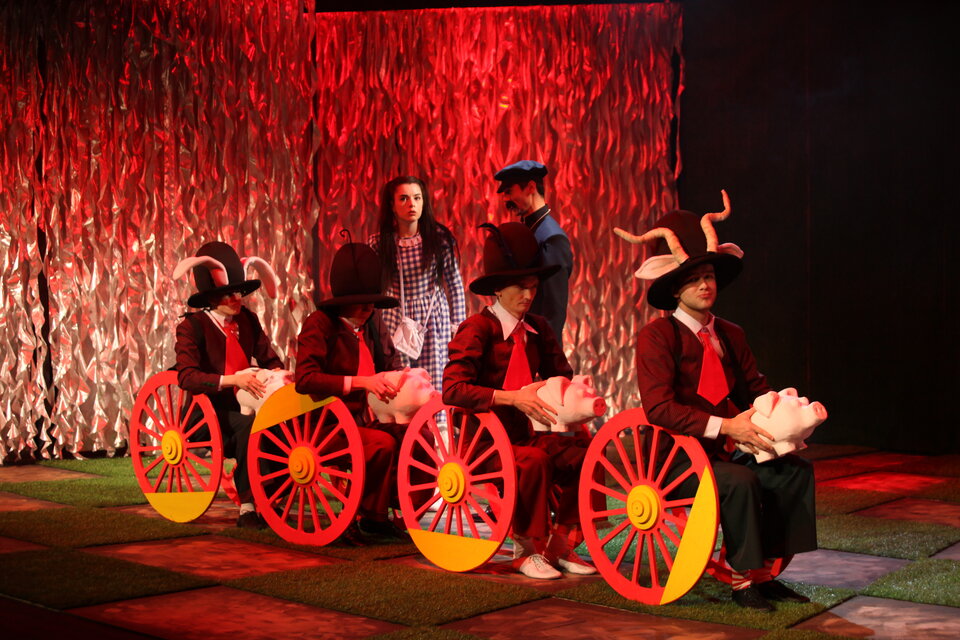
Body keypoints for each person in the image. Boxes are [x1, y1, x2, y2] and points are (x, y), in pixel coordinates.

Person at [621, 195, 817, 611]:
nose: (705, 285)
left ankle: (764, 573)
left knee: (792, 470)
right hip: (674, 461)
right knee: (738, 480)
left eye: (709, 276)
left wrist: (785, 416)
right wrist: (727, 426)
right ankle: (744, 582)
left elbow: (754, 389)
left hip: (728, 449)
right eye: (694, 279)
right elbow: (658, 408)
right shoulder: (658, 337)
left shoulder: (731, 333)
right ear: (676, 288)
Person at [442, 222, 595, 580]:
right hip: (484, 444)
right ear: (497, 289)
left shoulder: (538, 328)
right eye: (520, 287)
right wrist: (512, 398)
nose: (528, 294)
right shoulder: (478, 329)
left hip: (527, 434)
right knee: (534, 460)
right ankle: (525, 549)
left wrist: (568, 395)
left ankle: (561, 544)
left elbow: (561, 374)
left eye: (533, 286)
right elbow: (452, 389)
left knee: (584, 453)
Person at [295, 239, 408, 544]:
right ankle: (367, 514)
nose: (367, 307)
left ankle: (385, 511)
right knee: (381, 443)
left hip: (361, 420)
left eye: (371, 301)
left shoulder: (373, 323)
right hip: (323, 427)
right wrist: (360, 382)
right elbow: (306, 379)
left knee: (413, 437)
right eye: (360, 301)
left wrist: (405, 380)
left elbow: (391, 364)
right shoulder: (319, 325)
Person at [173, 241, 283, 529]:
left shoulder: (248, 320)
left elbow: (270, 358)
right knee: (249, 427)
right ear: (211, 297)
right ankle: (247, 506)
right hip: (208, 414)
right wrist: (233, 380)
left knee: (281, 423)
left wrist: (280, 376)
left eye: (240, 291)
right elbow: (186, 377)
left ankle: (272, 495)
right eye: (229, 293)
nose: (237, 298)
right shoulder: (192, 326)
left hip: (246, 402)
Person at [368, 176, 466, 391]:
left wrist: (458, 328)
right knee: (401, 383)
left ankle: (438, 415)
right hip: (396, 316)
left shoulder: (439, 239)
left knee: (435, 382)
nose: (411, 204)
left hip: (433, 316)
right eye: (403, 198)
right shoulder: (380, 242)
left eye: (417, 198)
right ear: (392, 205)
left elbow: (455, 284)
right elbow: (373, 288)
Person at [494, 160, 572, 343]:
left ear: (530, 187)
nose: (505, 199)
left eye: (509, 191)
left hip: (539, 344)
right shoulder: (531, 230)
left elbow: (553, 309)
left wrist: (544, 352)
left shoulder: (552, 238)